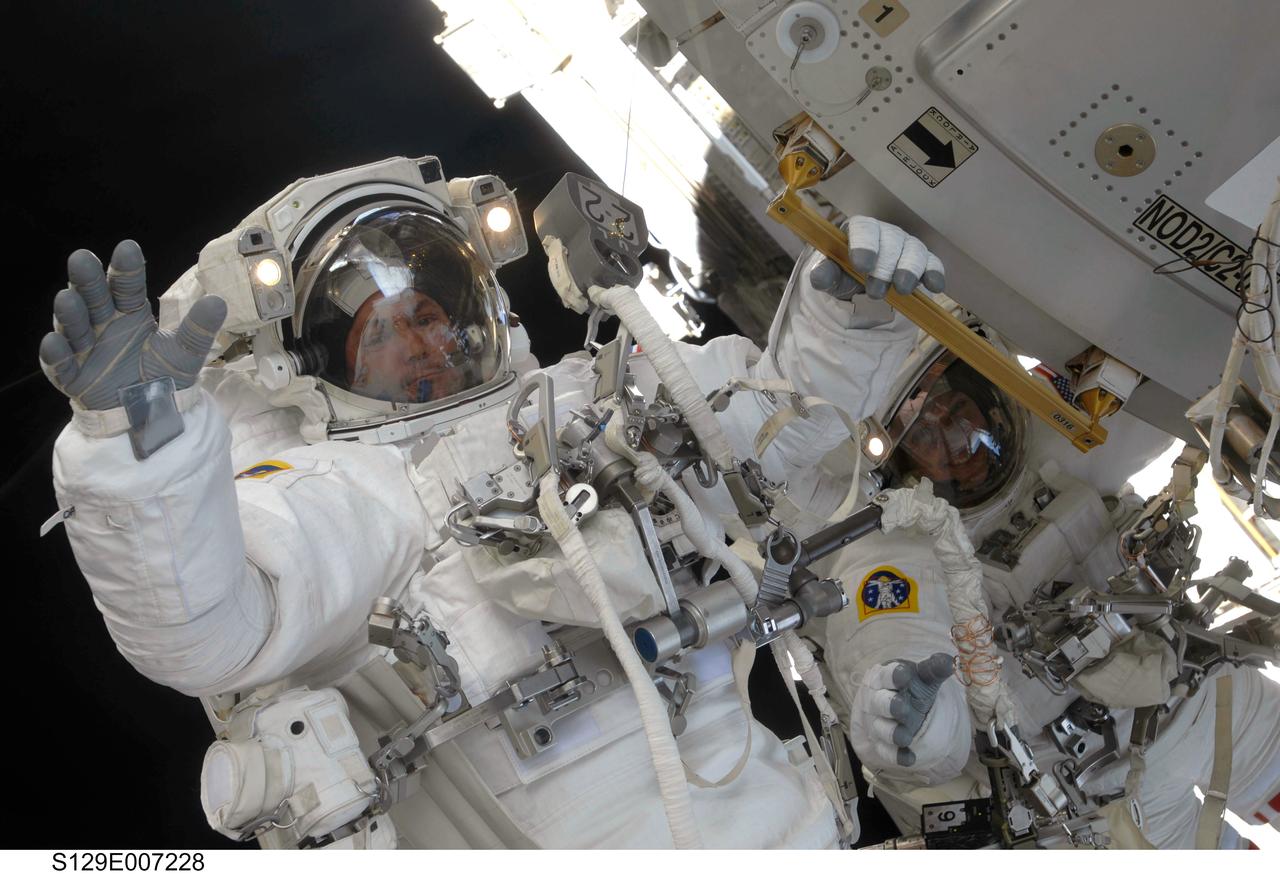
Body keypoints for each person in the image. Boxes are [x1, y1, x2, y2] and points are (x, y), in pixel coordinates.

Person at [38, 155, 945, 849]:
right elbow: (209, 632)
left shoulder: (590, 397)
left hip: (775, 829)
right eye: (381, 330)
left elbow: (775, 437)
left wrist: (843, 317)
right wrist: (137, 457)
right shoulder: (348, 494)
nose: (420, 340)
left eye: (430, 313)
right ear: (321, 364)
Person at [817, 333, 1280, 848]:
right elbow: (900, 659)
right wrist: (917, 720)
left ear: (989, 398)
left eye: (958, 410)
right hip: (1110, 787)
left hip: (1207, 694)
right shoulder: (891, 559)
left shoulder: (1056, 429)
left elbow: (1176, 374)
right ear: (898, 463)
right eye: (927, 437)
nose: (960, 439)